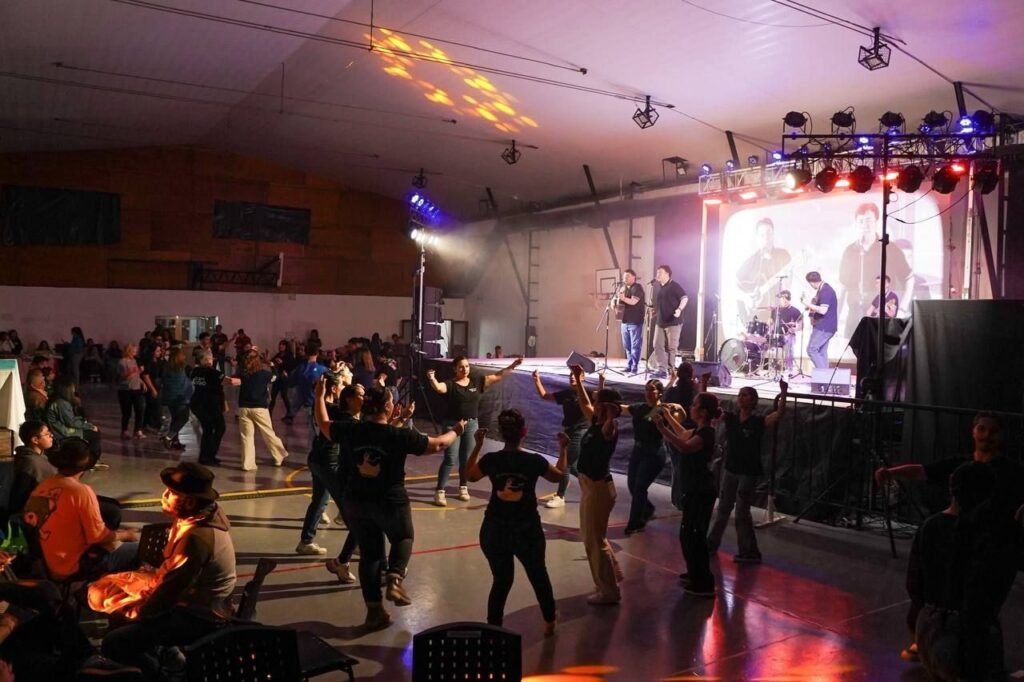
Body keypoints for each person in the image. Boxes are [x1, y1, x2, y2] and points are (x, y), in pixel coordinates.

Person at [876, 413, 1024, 674]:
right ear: (973, 431)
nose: (987, 436)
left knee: (981, 599)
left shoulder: (1010, 471)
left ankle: (968, 650)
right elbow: (924, 471)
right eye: (982, 429)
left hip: (992, 543)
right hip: (963, 540)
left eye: (993, 431)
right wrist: (891, 473)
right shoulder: (961, 466)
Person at [315, 380, 463, 630]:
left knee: (370, 555)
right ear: (387, 407)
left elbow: (323, 423)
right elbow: (438, 443)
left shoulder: (351, 430)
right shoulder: (399, 436)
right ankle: (394, 578)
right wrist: (457, 430)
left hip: (356, 499)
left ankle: (374, 612)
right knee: (403, 537)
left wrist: (319, 396)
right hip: (389, 499)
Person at [93, 463, 236, 679]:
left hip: (199, 616)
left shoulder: (196, 539)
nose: (164, 496)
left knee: (115, 641)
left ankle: (160, 674)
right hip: (190, 603)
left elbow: (170, 593)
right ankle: (170, 656)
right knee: (113, 593)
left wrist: (135, 612)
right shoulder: (195, 519)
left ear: (189, 501)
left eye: (171, 492)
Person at [465, 410, 567, 635]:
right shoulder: (534, 461)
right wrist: (564, 449)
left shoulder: (492, 460)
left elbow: (470, 475)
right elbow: (558, 476)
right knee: (538, 575)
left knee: (501, 581)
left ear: (502, 433)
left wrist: (477, 445)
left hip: (494, 529)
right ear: (524, 432)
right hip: (526, 529)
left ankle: (494, 629)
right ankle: (550, 620)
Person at [905, 462, 997, 681]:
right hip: (965, 631)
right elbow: (986, 589)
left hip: (928, 625)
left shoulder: (929, 527)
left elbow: (914, 582)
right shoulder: (982, 535)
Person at [23, 439, 139, 581]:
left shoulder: (44, 485)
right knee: (141, 550)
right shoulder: (80, 491)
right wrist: (126, 535)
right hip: (70, 565)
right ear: (86, 462)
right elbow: (98, 536)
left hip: (48, 562)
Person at [707, 381, 788, 563]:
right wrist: (703, 384)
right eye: (740, 395)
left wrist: (783, 393)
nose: (741, 398)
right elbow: (709, 408)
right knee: (723, 509)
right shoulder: (731, 418)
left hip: (747, 472)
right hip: (731, 469)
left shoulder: (758, 422)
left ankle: (749, 551)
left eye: (745, 395)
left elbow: (779, 414)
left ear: (753, 400)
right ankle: (711, 544)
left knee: (742, 513)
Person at [426, 355, 522, 507]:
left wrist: (513, 366)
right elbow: (439, 388)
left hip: (471, 424)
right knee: (450, 458)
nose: (464, 369)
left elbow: (498, 376)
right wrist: (432, 379)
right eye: (461, 367)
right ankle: (440, 491)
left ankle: (463, 487)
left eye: (467, 366)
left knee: (466, 459)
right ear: (455, 369)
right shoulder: (451, 384)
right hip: (453, 425)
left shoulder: (477, 382)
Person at [567, 365, 623, 606]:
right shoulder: (595, 421)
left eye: (599, 401)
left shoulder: (609, 427)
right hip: (591, 487)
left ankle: (608, 591)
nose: (594, 403)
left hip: (598, 489)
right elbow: (584, 402)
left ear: (606, 407)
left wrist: (610, 413)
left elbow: (609, 423)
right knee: (593, 535)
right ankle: (612, 574)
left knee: (593, 539)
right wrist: (578, 380)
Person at [656, 392, 721, 598]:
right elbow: (684, 433)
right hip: (694, 489)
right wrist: (668, 417)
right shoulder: (699, 430)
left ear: (702, 411)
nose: (691, 407)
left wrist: (662, 429)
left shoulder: (707, 434)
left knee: (695, 536)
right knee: (688, 535)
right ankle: (694, 572)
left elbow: (684, 446)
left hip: (701, 490)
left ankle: (703, 582)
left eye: (694, 405)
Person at [296, 377, 361, 574]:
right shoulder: (340, 415)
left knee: (319, 500)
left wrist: (320, 396)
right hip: (328, 463)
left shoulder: (327, 408)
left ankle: (306, 541)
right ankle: (356, 544)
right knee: (350, 510)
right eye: (341, 384)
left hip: (316, 459)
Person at [838, 203, 913, 337]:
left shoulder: (890, 248)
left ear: (877, 221)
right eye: (861, 221)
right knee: (850, 350)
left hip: (881, 319)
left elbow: (909, 278)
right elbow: (842, 288)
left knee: (880, 349)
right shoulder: (850, 251)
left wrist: (901, 309)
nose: (865, 225)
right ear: (856, 223)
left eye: (869, 220)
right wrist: (834, 319)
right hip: (854, 320)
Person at [531, 369, 591, 508]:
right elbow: (545, 396)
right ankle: (591, 486)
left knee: (566, 464)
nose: (572, 377)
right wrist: (537, 380)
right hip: (568, 430)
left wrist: (601, 382)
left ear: (583, 378)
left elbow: (600, 397)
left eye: (575, 375)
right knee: (574, 466)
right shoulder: (566, 394)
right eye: (570, 374)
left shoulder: (587, 393)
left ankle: (560, 496)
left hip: (581, 431)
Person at [619, 379, 669, 535]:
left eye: (652, 389)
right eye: (646, 389)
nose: (648, 392)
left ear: (659, 393)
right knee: (632, 485)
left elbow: (680, 416)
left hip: (653, 453)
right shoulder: (640, 408)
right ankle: (647, 508)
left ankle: (635, 523)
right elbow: (621, 409)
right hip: (638, 451)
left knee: (640, 487)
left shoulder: (663, 410)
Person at [236, 349, 289, 471]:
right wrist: (272, 366)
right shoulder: (264, 374)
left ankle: (247, 464)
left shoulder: (242, 374)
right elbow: (276, 378)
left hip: (244, 407)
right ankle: (279, 456)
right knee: (268, 433)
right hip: (259, 408)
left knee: (246, 437)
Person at [736, 218, 793, 320]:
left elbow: (788, 285)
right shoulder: (751, 261)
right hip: (756, 316)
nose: (766, 237)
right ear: (757, 238)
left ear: (773, 235)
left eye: (768, 233)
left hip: (778, 313)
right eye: (762, 235)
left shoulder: (783, 255)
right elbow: (737, 286)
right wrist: (749, 298)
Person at [190, 349, 240, 466]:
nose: (212, 359)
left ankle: (205, 456)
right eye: (211, 357)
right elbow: (230, 382)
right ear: (207, 359)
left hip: (198, 404)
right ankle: (209, 456)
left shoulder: (195, 371)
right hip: (210, 405)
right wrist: (248, 379)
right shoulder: (212, 372)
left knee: (208, 429)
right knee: (220, 428)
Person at [45, 375, 102, 467]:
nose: (74, 389)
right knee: (95, 434)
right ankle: (91, 460)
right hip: (62, 431)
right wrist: (90, 426)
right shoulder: (61, 403)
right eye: (73, 387)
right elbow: (71, 422)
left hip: (61, 428)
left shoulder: (57, 400)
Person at [10, 420, 57, 516]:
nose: (51, 436)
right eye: (47, 434)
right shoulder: (30, 462)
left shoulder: (41, 457)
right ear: (35, 440)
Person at [651, 265, 688, 378]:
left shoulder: (674, 285)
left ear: (667, 274)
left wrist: (679, 309)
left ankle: (671, 370)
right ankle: (662, 369)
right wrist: (655, 312)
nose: (657, 274)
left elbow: (684, 298)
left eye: (660, 272)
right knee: (657, 344)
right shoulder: (658, 287)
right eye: (657, 272)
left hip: (673, 321)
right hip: (660, 321)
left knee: (672, 347)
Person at [801, 271, 837, 370]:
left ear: (811, 282)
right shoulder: (824, 289)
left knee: (811, 349)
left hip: (824, 326)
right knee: (821, 352)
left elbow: (823, 310)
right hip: (827, 326)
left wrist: (806, 303)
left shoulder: (826, 290)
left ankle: (824, 375)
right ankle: (825, 377)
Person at [159, 347, 193, 451]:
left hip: (168, 397)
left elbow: (161, 381)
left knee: (175, 419)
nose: (184, 356)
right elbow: (192, 377)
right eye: (182, 354)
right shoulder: (184, 367)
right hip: (180, 397)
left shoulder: (165, 367)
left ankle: (175, 441)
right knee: (184, 417)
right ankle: (169, 437)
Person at [617, 269, 646, 374]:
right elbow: (619, 303)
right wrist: (615, 301)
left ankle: (634, 366)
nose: (625, 278)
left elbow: (633, 302)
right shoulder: (623, 288)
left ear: (634, 277)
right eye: (624, 277)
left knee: (635, 346)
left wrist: (623, 298)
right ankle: (629, 365)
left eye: (627, 276)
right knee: (627, 346)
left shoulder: (637, 288)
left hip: (635, 322)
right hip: (624, 321)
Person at [117, 343, 147, 439]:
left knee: (140, 408)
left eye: (136, 352)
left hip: (136, 388)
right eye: (133, 352)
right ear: (128, 351)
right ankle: (124, 431)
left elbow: (136, 376)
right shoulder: (122, 362)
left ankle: (137, 430)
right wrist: (137, 371)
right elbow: (124, 377)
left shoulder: (134, 360)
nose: (135, 354)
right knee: (126, 412)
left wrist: (142, 382)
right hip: (125, 390)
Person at [771, 291, 803, 374]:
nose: (783, 301)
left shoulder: (795, 311)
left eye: (785, 299)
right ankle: (769, 367)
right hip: (776, 335)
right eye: (782, 299)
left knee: (789, 344)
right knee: (764, 341)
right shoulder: (775, 310)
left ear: (789, 299)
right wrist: (769, 328)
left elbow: (801, 325)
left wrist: (794, 329)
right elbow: (772, 323)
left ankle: (789, 369)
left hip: (788, 335)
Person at [269, 339, 296, 423]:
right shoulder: (278, 355)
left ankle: (290, 414)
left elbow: (291, 366)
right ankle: (269, 414)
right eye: (280, 344)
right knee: (273, 396)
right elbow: (272, 362)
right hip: (277, 378)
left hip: (284, 379)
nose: (281, 346)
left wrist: (282, 364)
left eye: (283, 345)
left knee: (284, 395)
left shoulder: (289, 355)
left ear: (286, 346)